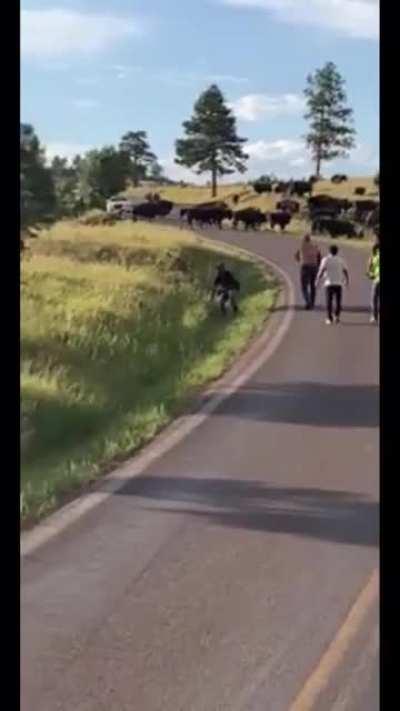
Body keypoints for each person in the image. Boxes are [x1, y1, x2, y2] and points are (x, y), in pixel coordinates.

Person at [315, 245, 349, 324]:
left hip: (329, 283)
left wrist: (317, 280)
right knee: (338, 301)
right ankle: (337, 317)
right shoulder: (341, 260)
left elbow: (322, 270)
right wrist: (347, 280)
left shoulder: (326, 259)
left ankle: (329, 318)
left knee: (329, 301)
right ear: (337, 251)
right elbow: (345, 271)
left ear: (329, 251)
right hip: (338, 283)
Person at [295, 234, 321, 310]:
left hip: (305, 266)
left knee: (304, 287)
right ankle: (312, 303)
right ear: (310, 239)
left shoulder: (301, 247)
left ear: (303, 239)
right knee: (313, 286)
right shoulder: (315, 246)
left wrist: (300, 261)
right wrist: (318, 265)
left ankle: (308, 301)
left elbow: (296, 256)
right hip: (314, 267)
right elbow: (319, 257)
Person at [367, 243, 380, 323]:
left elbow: (369, 271)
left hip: (377, 280)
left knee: (374, 299)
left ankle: (374, 317)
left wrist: (370, 275)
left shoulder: (373, 258)